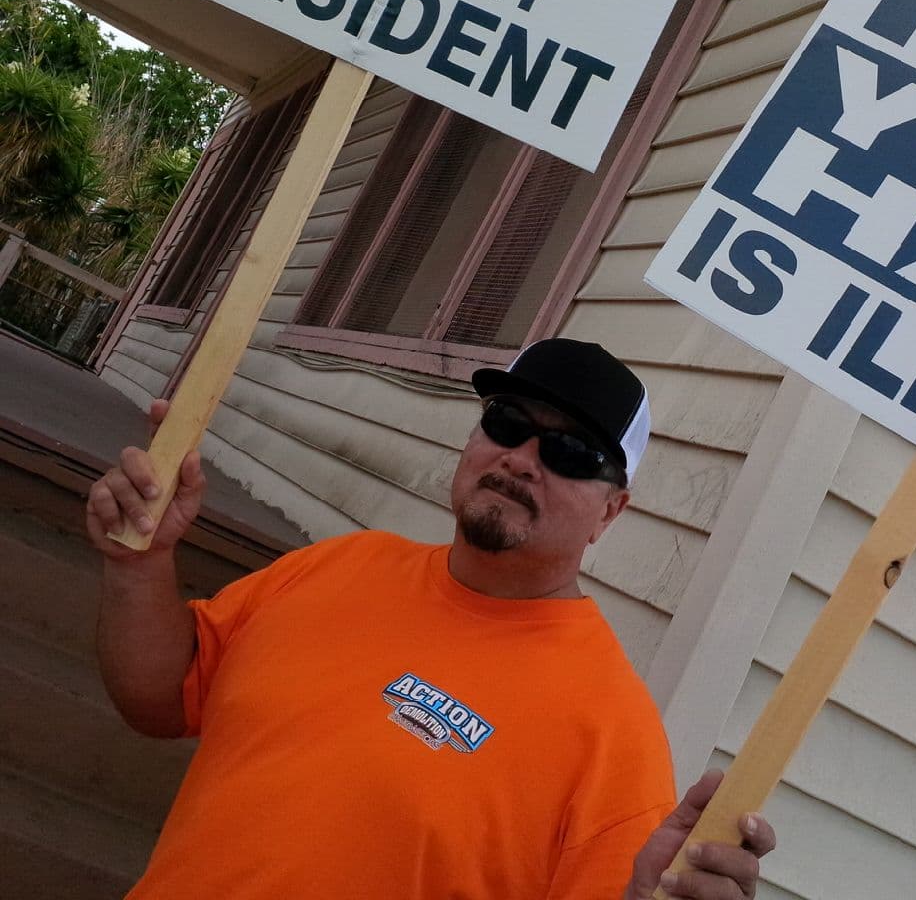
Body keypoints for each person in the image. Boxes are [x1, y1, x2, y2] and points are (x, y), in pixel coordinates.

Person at [88, 338, 776, 899]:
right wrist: (141, 559)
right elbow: (158, 698)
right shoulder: (339, 566)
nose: (522, 459)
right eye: (507, 423)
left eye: (571, 453)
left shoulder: (614, 740)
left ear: (609, 513)